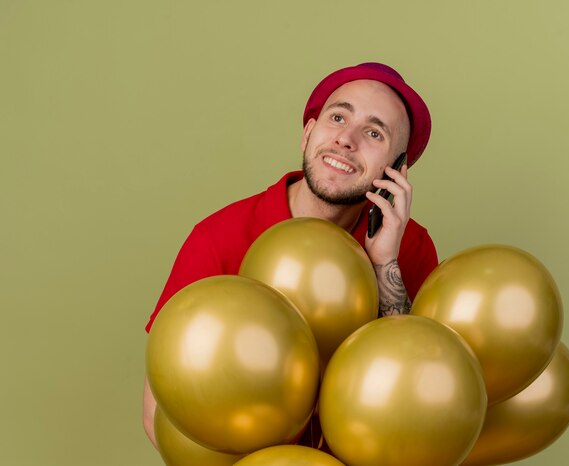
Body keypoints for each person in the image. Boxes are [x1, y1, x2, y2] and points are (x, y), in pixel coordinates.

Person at [142, 62, 439, 448]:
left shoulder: (409, 247)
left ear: (396, 170)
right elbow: (159, 413)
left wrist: (384, 262)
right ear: (307, 134)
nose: (346, 140)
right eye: (337, 117)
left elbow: (419, 403)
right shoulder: (219, 237)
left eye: (373, 132)